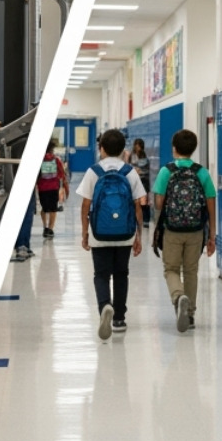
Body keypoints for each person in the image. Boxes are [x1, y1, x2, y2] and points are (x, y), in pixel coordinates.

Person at [77, 128, 145, 341]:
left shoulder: (93, 172)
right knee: (121, 274)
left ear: (102, 148)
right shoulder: (130, 172)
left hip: (99, 233)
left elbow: (85, 205)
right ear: (123, 149)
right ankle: (119, 318)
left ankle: (105, 306)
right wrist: (138, 236)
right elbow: (138, 207)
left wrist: (85, 233)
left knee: (101, 274)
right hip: (124, 233)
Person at [152, 128, 217, 333]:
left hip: (172, 229)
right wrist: (212, 235)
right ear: (193, 149)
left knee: (171, 269)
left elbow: (159, 203)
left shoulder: (166, 171)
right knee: (191, 271)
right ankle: (189, 315)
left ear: (174, 149)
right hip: (196, 230)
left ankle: (179, 296)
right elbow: (211, 204)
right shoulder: (201, 172)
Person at [37, 136, 69, 239]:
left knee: (44, 208)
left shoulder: (39, 160)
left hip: (42, 188)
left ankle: (45, 226)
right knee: (53, 209)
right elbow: (61, 174)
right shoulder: (56, 159)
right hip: (53, 187)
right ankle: (50, 229)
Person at [129, 138, 152, 228]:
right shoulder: (131, 156)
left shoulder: (145, 156)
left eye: (139, 146)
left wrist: (140, 171)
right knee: (135, 201)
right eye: (136, 145)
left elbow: (147, 169)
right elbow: (129, 167)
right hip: (134, 181)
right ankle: (135, 219)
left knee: (144, 201)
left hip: (144, 182)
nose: (137, 148)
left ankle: (146, 220)